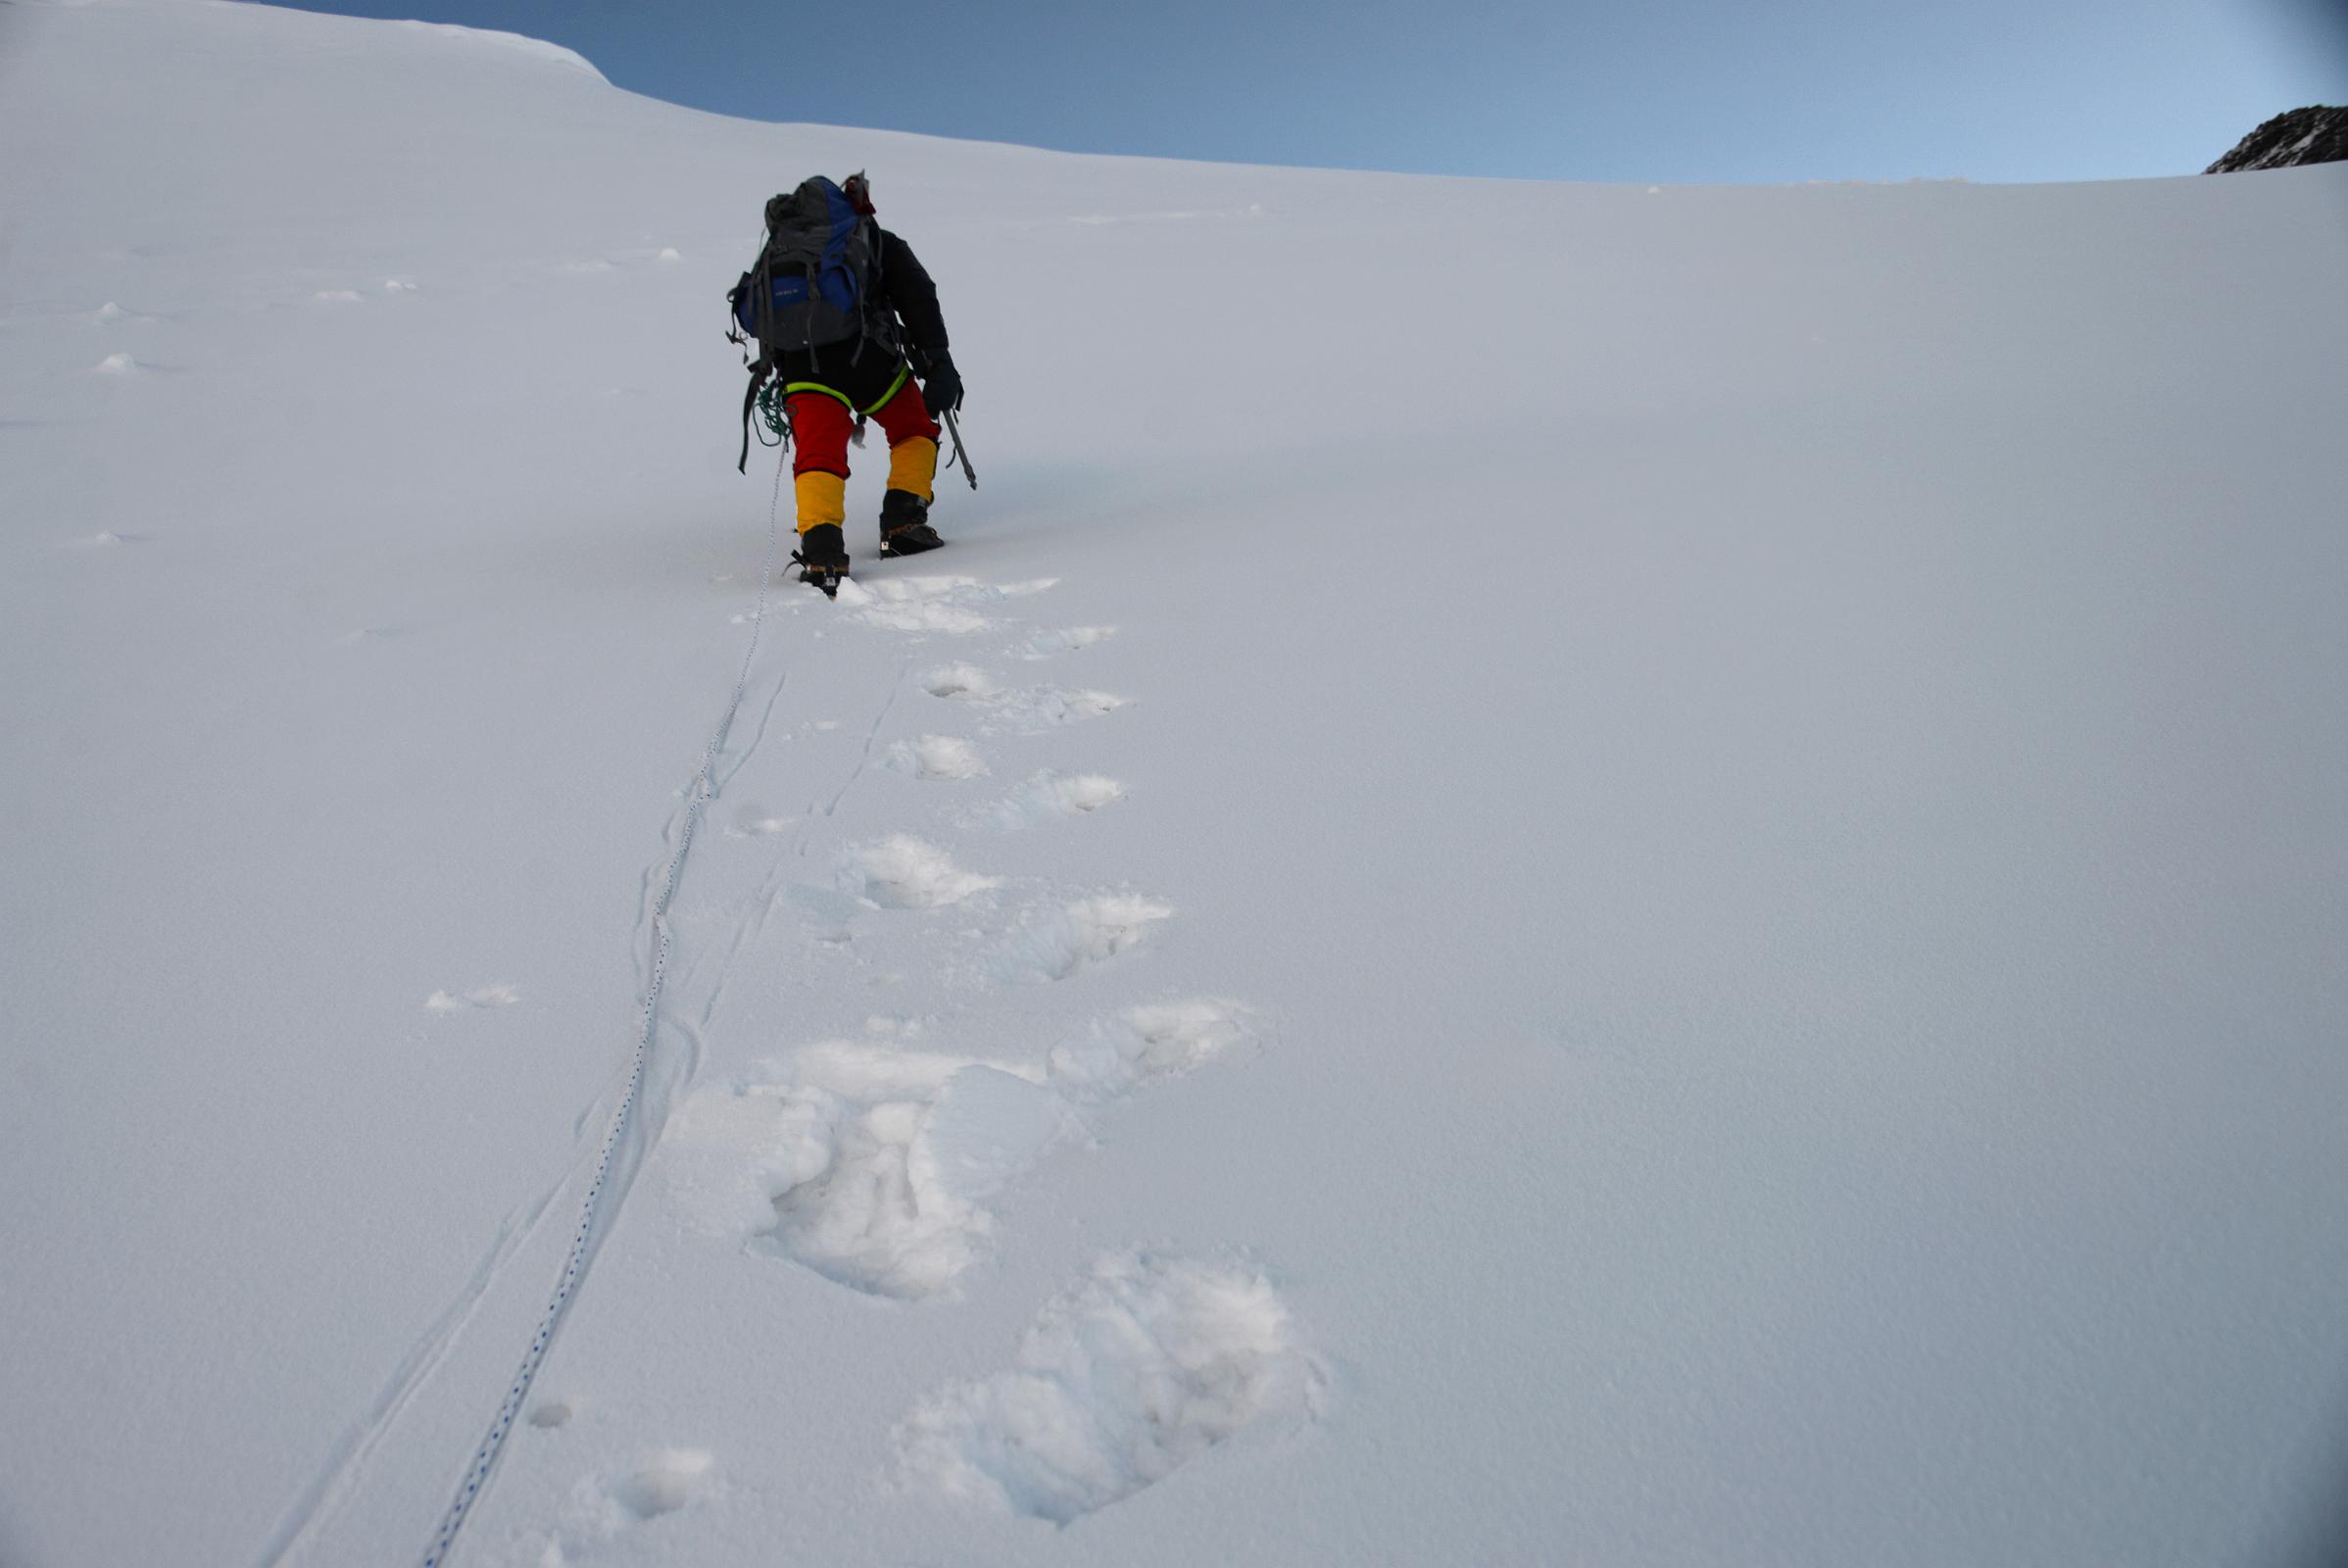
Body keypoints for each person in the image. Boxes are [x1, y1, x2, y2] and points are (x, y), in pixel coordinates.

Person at [730, 172, 964, 593]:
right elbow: (918, 295)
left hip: (803, 367)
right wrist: (938, 361)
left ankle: (822, 552)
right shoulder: (875, 241)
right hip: (869, 360)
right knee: (913, 427)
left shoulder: (782, 251)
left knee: (818, 451)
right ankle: (903, 521)